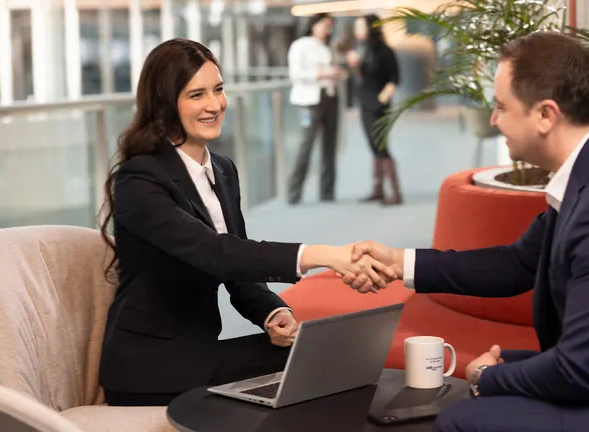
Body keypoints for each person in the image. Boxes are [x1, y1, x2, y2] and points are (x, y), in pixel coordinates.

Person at [339, 32, 589, 431]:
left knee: (459, 419)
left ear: (546, 115)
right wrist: (399, 262)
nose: (494, 119)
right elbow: (516, 264)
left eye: (501, 106)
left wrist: (485, 378)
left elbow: (580, 373)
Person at [97, 38, 393, 407]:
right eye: (196, 95)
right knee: (322, 367)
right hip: (150, 366)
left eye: (218, 90)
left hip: (201, 351)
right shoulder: (138, 181)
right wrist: (327, 255)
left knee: (334, 357)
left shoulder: (222, 170)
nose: (214, 105)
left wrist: (272, 311)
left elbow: (238, 269)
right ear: (164, 104)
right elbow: (215, 253)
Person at [286, 13, 345, 205]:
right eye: (324, 24)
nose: (327, 29)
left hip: (330, 96)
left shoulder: (328, 46)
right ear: (314, 25)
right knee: (306, 145)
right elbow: (295, 74)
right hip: (310, 100)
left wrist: (336, 73)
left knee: (330, 145)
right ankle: (294, 193)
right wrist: (320, 74)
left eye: (329, 25)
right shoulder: (300, 45)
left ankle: (327, 192)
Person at [346, 14, 402, 205]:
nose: (357, 31)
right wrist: (354, 66)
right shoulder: (360, 50)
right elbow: (360, 78)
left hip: (379, 105)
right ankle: (377, 189)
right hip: (364, 103)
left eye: (360, 27)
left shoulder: (384, 51)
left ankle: (395, 193)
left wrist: (381, 101)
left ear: (371, 28)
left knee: (381, 146)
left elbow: (395, 79)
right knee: (373, 145)